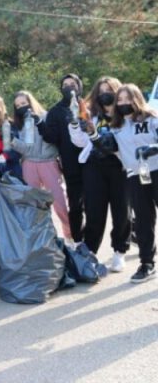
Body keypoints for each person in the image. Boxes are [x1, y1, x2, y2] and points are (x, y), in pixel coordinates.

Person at [89, 83, 158, 283]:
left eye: (128, 98)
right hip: (136, 174)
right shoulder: (116, 126)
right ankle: (147, 263)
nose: (123, 103)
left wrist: (153, 148)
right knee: (144, 221)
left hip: (156, 169)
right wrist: (93, 134)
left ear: (136, 98)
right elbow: (107, 148)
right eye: (120, 99)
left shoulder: (151, 118)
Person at [68, 77, 131, 270]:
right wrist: (74, 124)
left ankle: (119, 251)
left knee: (121, 211)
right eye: (101, 90)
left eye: (109, 90)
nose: (105, 94)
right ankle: (91, 251)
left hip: (119, 166)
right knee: (94, 211)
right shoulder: (91, 114)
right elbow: (79, 142)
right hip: (94, 166)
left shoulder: (126, 116)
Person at [11, 91, 72, 242]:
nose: (21, 107)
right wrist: (12, 141)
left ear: (31, 102)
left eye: (23, 103)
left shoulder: (47, 116)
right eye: (18, 105)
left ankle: (71, 236)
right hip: (29, 163)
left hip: (48, 162)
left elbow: (54, 137)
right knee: (33, 206)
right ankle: (41, 240)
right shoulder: (18, 124)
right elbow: (26, 148)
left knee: (60, 202)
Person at [37, 74, 85, 245]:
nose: (69, 87)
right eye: (65, 85)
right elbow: (52, 137)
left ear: (79, 86)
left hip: (93, 163)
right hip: (71, 163)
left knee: (94, 203)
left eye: (73, 84)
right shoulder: (56, 111)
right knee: (75, 204)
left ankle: (90, 240)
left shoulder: (88, 106)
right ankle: (78, 240)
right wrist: (40, 125)